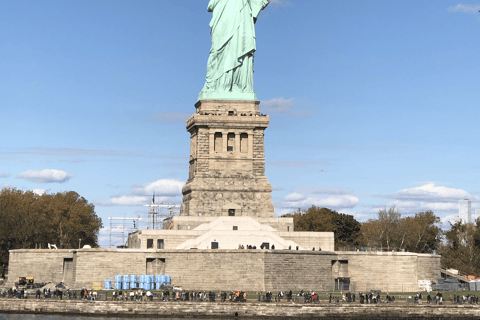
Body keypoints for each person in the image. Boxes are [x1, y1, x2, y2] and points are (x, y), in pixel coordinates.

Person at [199, 0, 270, 100]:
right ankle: (216, 85)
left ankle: (238, 85)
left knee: (240, 46)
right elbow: (210, 6)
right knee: (219, 50)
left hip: (241, 12)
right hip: (223, 12)